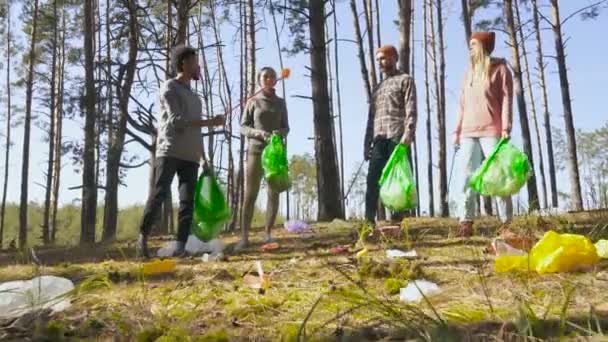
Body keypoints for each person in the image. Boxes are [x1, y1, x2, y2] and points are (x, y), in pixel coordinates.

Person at [137, 45, 225, 258]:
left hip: (191, 157)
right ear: (183, 63)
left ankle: (180, 246)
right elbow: (177, 121)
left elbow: (196, 133)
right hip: (169, 151)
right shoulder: (169, 87)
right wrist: (210, 122)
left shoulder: (196, 98)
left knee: (187, 202)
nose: (198, 67)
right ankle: (142, 239)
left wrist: (204, 158)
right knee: (159, 194)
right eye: (195, 62)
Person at [453, 31, 514, 237]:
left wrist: (506, 128)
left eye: (473, 44)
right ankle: (466, 221)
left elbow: (507, 100)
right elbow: (462, 105)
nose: (469, 47)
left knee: (498, 177)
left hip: (492, 131)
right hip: (468, 132)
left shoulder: (501, 70)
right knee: (466, 177)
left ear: (483, 46)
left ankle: (506, 224)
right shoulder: (468, 72)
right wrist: (457, 131)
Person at [235, 67, 289, 251]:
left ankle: (268, 234)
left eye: (272, 76)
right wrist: (258, 133)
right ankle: (244, 238)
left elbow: (286, 127)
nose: (269, 79)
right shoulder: (253, 102)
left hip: (275, 154)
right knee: (250, 194)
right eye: (265, 76)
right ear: (260, 80)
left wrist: (278, 133)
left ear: (275, 80)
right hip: (255, 151)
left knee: (274, 193)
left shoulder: (281, 103)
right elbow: (243, 127)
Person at [363, 45, 417, 228]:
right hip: (379, 138)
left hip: (397, 137)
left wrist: (409, 132)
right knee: (372, 180)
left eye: (384, 58)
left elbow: (411, 109)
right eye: (378, 59)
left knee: (398, 180)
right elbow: (371, 117)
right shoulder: (378, 88)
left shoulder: (405, 80)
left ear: (394, 58)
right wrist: (366, 143)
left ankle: (397, 221)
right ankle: (369, 222)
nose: (381, 62)